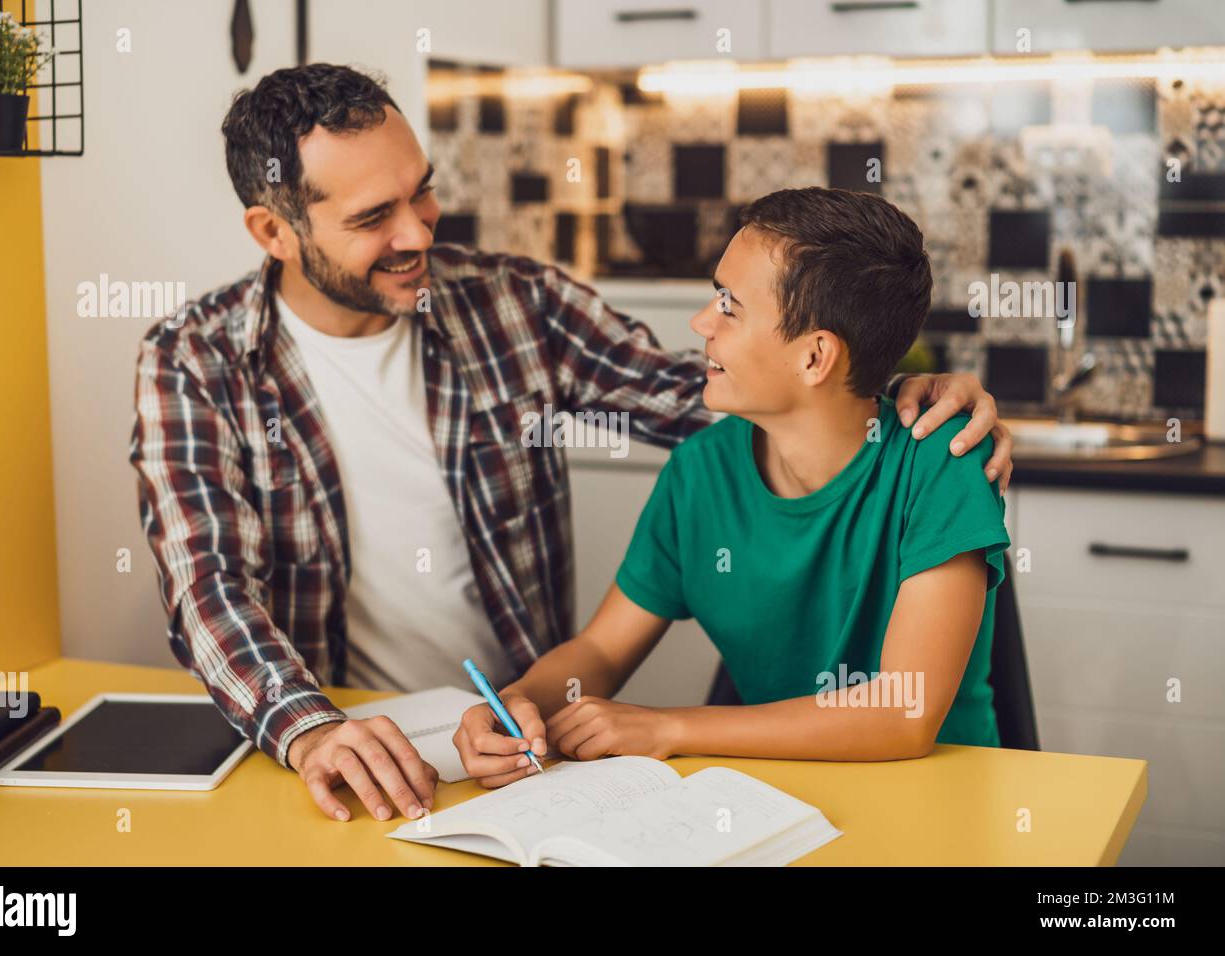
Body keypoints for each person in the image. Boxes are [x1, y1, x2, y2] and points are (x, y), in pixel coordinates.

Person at [129, 64, 1014, 822]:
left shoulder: (511, 303)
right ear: (274, 232)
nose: (419, 232)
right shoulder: (194, 362)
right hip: (351, 736)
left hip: (521, 745)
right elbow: (209, 588)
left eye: (422, 191)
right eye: (373, 218)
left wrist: (890, 385)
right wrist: (312, 726)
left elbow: (722, 397)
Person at [454, 187, 1011, 788]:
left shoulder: (941, 461)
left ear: (816, 356)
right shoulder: (699, 471)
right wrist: (518, 703)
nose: (701, 323)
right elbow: (602, 651)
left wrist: (668, 727)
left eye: (729, 305)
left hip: (936, 799)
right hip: (777, 797)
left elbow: (902, 716)